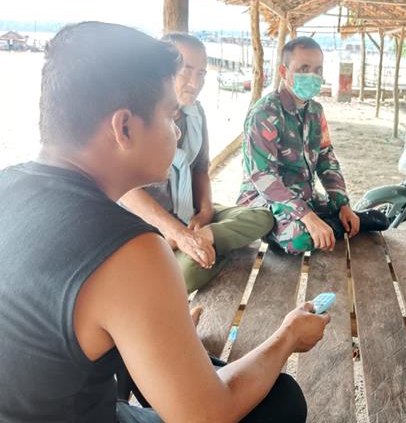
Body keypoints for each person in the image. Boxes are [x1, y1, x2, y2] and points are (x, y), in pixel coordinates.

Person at [0, 22, 328, 422]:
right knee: (281, 399)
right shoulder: (129, 251)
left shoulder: (7, 184)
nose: (177, 130)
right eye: (171, 116)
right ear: (124, 127)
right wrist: (288, 336)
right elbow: (208, 416)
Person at [120, 33, 273, 293]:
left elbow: (200, 168)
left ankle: (205, 243)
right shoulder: (138, 116)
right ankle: (210, 248)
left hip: (189, 214)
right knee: (187, 274)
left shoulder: (195, 113)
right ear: (162, 70)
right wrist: (176, 233)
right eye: (186, 71)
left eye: (201, 73)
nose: (195, 82)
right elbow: (124, 189)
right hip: (150, 225)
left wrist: (205, 212)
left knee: (262, 217)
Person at [238, 36, 388, 254]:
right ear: (283, 72)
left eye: (318, 70)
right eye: (304, 68)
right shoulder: (264, 114)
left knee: (376, 219)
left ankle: (334, 222)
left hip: (304, 195)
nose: (312, 75)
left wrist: (342, 204)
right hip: (264, 200)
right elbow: (263, 177)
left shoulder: (316, 111)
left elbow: (326, 158)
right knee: (300, 239)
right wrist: (306, 215)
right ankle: (329, 225)